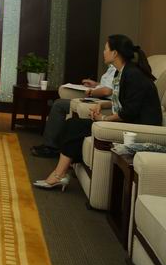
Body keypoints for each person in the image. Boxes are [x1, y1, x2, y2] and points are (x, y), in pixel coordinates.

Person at [34, 35, 162, 190]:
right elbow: (121, 100)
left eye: (106, 49)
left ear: (115, 53)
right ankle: (60, 174)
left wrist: (105, 118)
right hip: (129, 122)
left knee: (74, 127)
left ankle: (58, 175)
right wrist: (103, 105)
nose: (103, 52)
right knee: (72, 124)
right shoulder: (122, 72)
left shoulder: (133, 74)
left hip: (138, 128)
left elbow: (130, 111)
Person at [30, 64, 116, 158]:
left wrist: (92, 92)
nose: (104, 55)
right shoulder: (112, 67)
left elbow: (108, 91)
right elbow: (109, 86)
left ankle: (51, 147)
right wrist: (96, 84)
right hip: (99, 99)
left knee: (59, 105)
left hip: (105, 103)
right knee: (59, 103)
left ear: (115, 55)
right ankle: (52, 145)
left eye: (106, 53)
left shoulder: (119, 69)